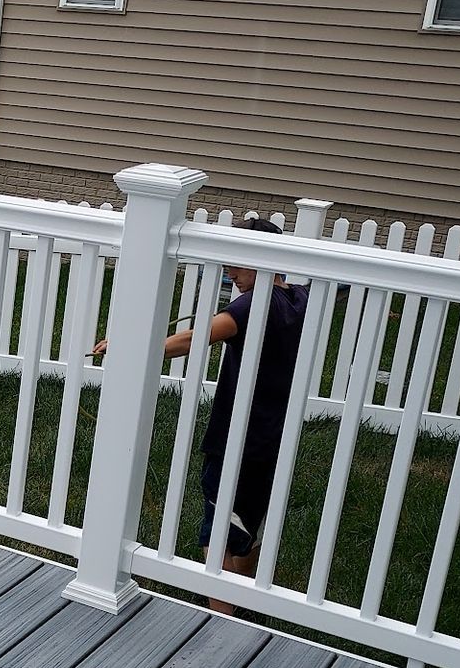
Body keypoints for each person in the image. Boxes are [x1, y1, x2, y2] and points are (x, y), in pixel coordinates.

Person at [95, 216, 308, 614]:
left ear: (266, 262)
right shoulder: (299, 300)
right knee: (250, 522)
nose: (229, 269)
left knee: (218, 532)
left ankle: (222, 620)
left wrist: (128, 343)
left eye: (239, 262)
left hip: (237, 438)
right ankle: (244, 597)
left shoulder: (250, 305)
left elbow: (194, 338)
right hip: (273, 434)